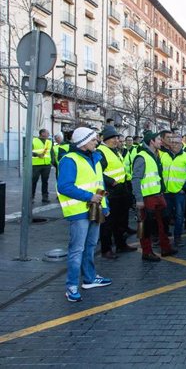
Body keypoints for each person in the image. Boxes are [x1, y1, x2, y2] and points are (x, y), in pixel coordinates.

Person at [57, 127, 112, 302]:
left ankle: (89, 278)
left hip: (94, 209)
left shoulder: (95, 158)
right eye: (93, 140)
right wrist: (90, 197)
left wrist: (104, 205)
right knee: (77, 250)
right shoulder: (69, 160)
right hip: (79, 211)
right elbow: (64, 186)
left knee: (90, 246)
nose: (97, 142)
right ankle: (71, 286)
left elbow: (99, 183)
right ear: (83, 142)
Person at [132, 131, 177, 261]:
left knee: (163, 222)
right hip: (147, 197)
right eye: (158, 139)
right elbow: (136, 179)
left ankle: (165, 248)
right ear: (151, 141)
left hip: (157, 195)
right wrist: (139, 200)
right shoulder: (142, 157)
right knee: (146, 226)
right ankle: (146, 252)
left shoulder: (155, 155)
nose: (161, 142)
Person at [97, 126, 136, 259]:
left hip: (121, 190)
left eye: (117, 138)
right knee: (108, 223)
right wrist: (110, 181)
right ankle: (106, 249)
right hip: (110, 192)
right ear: (106, 139)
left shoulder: (114, 151)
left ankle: (121, 244)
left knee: (121, 220)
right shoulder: (101, 152)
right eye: (113, 138)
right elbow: (98, 173)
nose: (116, 140)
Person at [160, 134, 186, 247]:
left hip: (179, 192)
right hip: (166, 192)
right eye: (173, 143)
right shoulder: (164, 156)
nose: (175, 145)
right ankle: (164, 237)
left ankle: (177, 238)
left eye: (177, 143)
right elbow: (160, 173)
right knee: (165, 216)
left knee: (179, 216)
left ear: (181, 144)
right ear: (169, 144)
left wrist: (184, 189)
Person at [31, 128, 53, 203]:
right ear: (42, 133)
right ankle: (31, 197)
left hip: (46, 165)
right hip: (36, 165)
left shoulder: (49, 142)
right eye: (47, 133)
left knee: (45, 181)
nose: (48, 134)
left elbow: (51, 153)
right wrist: (37, 155)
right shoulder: (34, 141)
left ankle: (45, 197)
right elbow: (28, 151)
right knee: (34, 181)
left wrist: (52, 162)